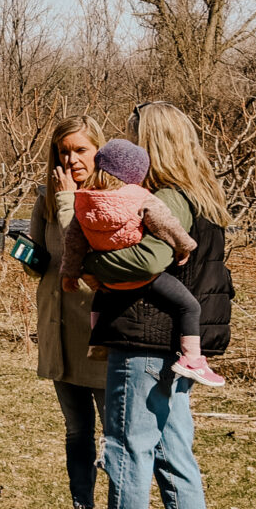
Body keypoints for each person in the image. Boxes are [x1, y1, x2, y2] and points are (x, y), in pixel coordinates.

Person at [50, 101, 229, 509]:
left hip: (145, 336)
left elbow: (147, 261)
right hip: (179, 340)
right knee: (174, 450)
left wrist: (90, 266)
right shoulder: (205, 195)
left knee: (128, 450)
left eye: (135, 138)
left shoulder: (166, 197)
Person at [19, 114, 112, 509]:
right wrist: (29, 255)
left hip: (99, 330)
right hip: (58, 324)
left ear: (98, 151)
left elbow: (90, 249)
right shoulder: (46, 196)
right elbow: (43, 257)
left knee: (117, 436)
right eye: (63, 151)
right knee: (77, 431)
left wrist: (66, 201)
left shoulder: (112, 196)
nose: (71, 158)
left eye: (80, 149)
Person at [64, 139, 224, 387]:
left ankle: (98, 343)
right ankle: (192, 358)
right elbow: (165, 225)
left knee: (100, 297)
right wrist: (185, 246)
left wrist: (73, 271)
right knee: (189, 307)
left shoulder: (84, 200)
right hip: (145, 278)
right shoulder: (141, 197)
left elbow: (73, 240)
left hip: (109, 282)